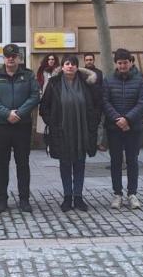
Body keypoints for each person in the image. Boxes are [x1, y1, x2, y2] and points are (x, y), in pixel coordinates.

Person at [0, 43, 41, 213]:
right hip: (1, 125)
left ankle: (24, 199)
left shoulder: (28, 75)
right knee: (2, 164)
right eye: (8, 56)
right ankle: (2, 199)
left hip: (22, 125)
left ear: (18, 58)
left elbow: (35, 96)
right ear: (3, 58)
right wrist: (7, 113)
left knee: (23, 163)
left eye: (14, 56)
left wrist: (19, 113)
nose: (10, 59)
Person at [41, 55, 101, 212]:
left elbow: (96, 105)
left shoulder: (87, 84)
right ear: (62, 67)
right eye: (67, 63)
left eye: (73, 64)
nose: (70, 66)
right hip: (62, 132)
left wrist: (93, 123)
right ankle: (67, 197)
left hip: (82, 132)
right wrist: (52, 123)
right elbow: (44, 107)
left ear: (77, 67)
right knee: (65, 165)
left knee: (80, 164)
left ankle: (78, 197)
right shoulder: (54, 83)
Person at [102, 48, 143, 210]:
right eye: (120, 63)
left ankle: (132, 193)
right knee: (115, 161)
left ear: (131, 63)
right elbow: (105, 102)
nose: (122, 66)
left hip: (133, 127)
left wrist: (127, 119)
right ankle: (117, 194)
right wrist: (118, 119)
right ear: (116, 64)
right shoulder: (108, 80)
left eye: (125, 63)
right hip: (114, 128)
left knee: (132, 161)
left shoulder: (139, 80)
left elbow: (142, 102)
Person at [83, 53, 108, 152]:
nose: (89, 61)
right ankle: (86, 143)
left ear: (94, 60)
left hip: (98, 103)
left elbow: (104, 87)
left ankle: (98, 143)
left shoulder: (99, 73)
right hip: (85, 104)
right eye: (87, 60)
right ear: (84, 61)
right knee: (85, 124)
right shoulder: (81, 73)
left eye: (90, 59)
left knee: (99, 124)